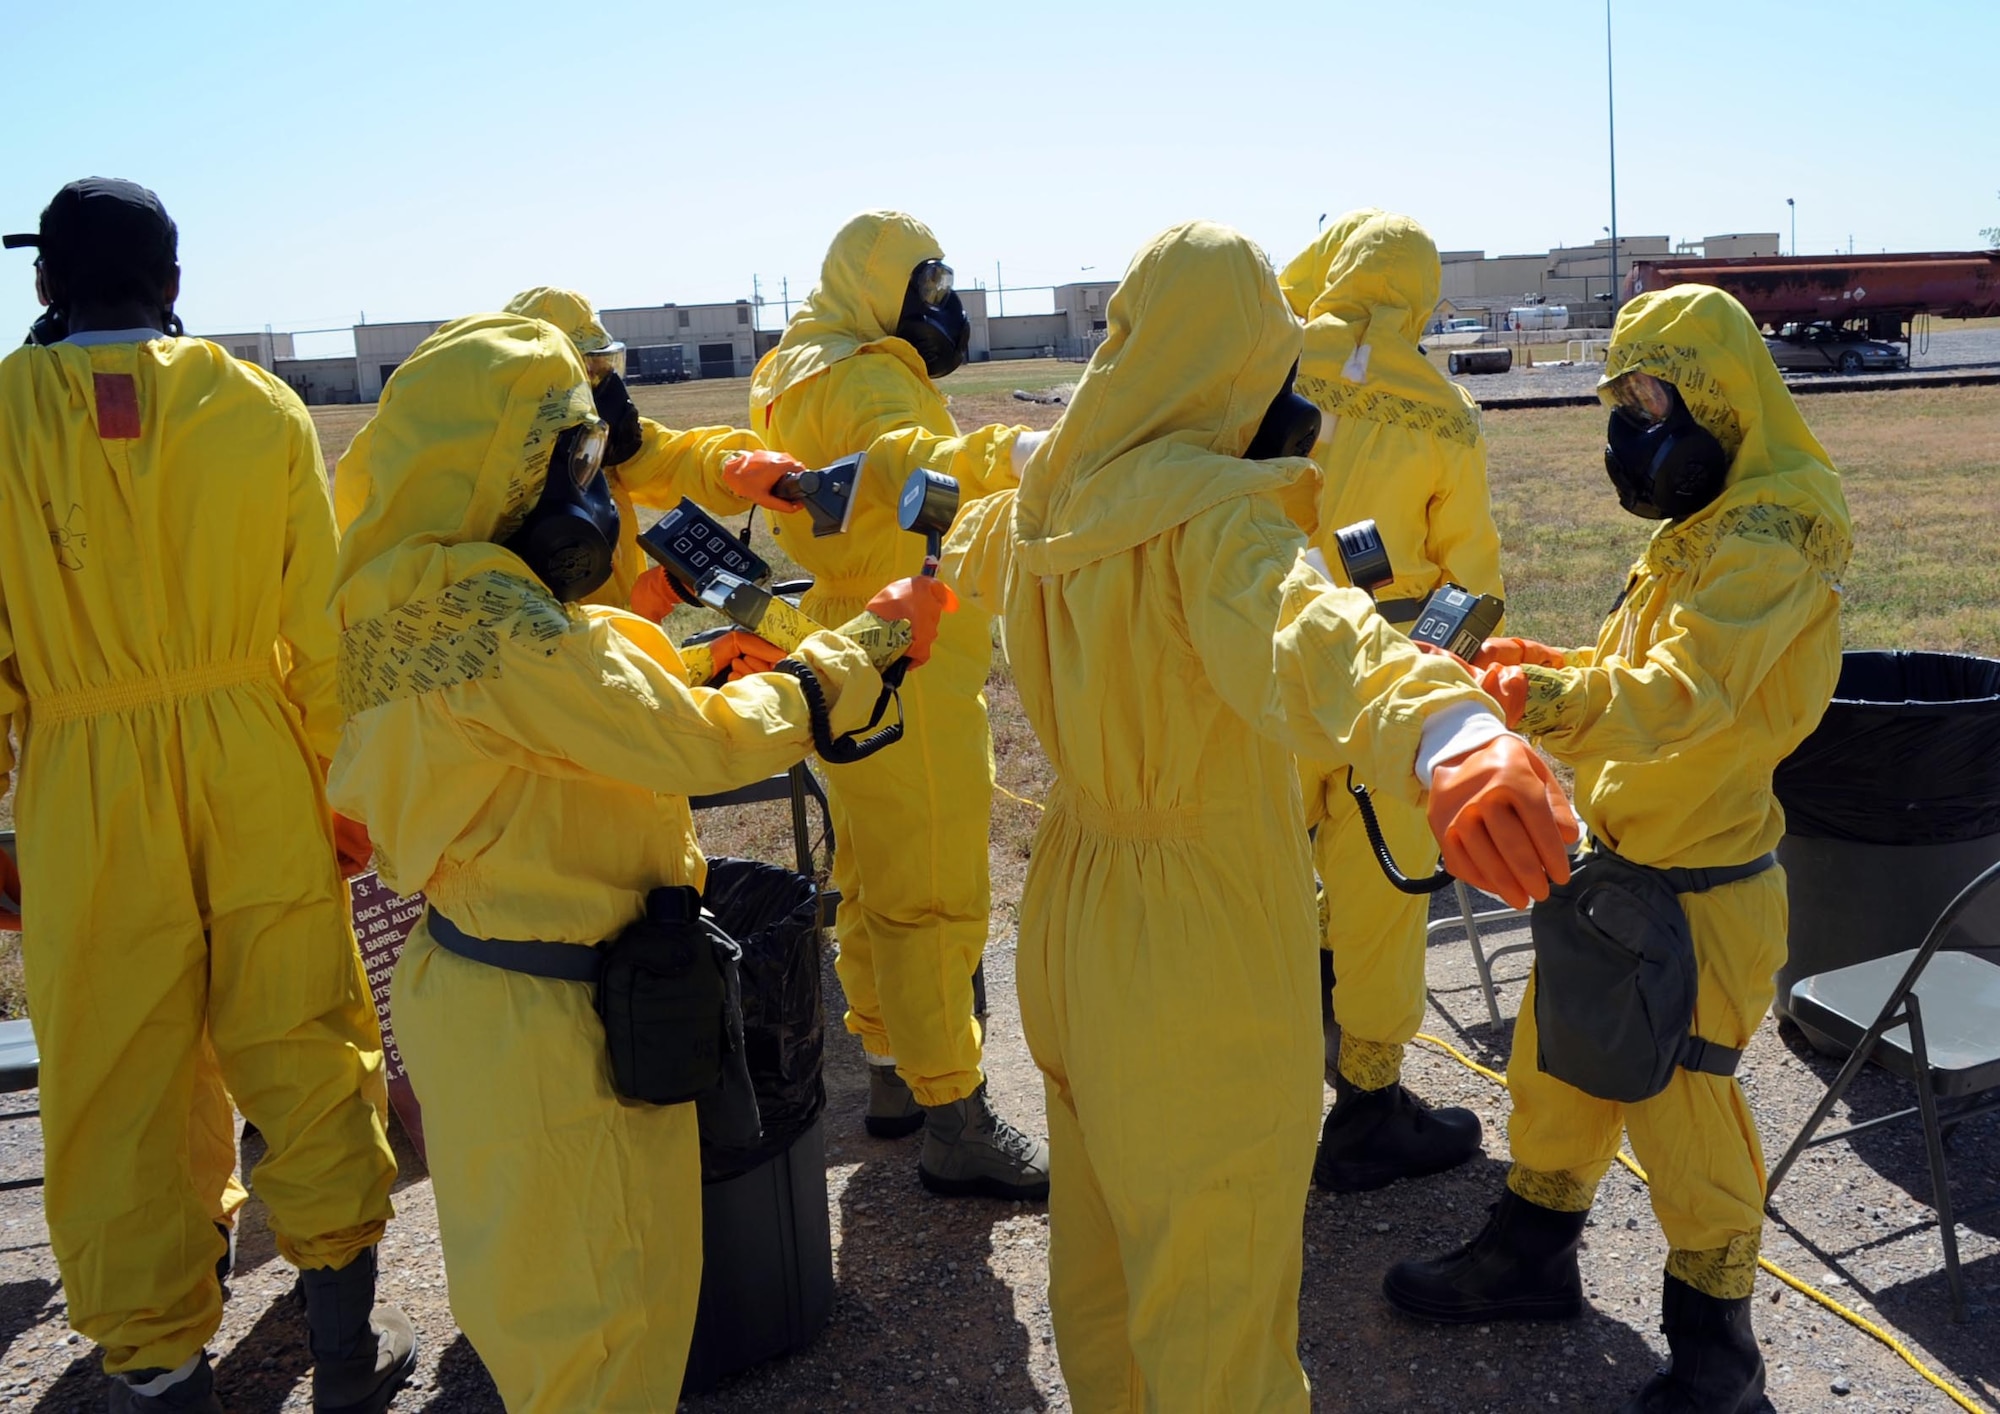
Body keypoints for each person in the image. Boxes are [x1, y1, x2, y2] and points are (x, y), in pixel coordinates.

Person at [937, 220, 1579, 1411]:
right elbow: (1311, 628)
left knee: (1104, 1261)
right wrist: (1449, 731)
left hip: (1073, 911)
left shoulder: (1048, 504)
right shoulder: (1215, 522)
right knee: (1216, 1282)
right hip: (1197, 949)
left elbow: (957, 529)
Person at [327, 310, 947, 1410]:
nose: (585, 490)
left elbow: (568, 726)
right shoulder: (491, 617)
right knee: (604, 1327)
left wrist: (697, 661)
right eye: (564, 460)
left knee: (548, 1311)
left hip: (489, 991)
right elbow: (689, 746)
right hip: (560, 1031)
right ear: (491, 465)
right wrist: (861, 647)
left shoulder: (401, 590)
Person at [1383, 284, 1851, 1414]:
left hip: (1693, 895)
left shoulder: (1771, 536)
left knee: (1684, 1122)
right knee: (1552, 1071)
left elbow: (1682, 692)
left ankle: (1715, 1353)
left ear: (1718, 398)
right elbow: (1636, 661)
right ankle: (1529, 1258)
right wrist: (1549, 663)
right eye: (1621, 402)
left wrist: (1540, 698)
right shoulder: (1700, 529)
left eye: (1651, 401)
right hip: (1616, 872)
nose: (1629, 432)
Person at [0, 178, 413, 1413]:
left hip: (80, 781)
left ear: (42, 285)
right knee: (299, 1023)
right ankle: (342, 1340)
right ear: (174, 284)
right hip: (257, 760)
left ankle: (155, 1361)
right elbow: (323, 633)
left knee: (117, 1060)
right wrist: (348, 794)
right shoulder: (262, 406)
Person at [744, 210, 1048, 1198]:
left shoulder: (797, 365)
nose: (941, 305)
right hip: (906, 634)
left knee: (874, 875)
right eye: (926, 284)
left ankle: (890, 1076)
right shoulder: (867, 376)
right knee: (932, 883)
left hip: (845, 626)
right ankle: (954, 1114)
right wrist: (1019, 453)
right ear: (883, 282)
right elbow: (914, 462)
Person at [1278, 212, 1507, 1191]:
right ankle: (1365, 1104)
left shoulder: (1270, 362)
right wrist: (1437, 683)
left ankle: (1255, 1084)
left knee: (1255, 874)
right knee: (1377, 886)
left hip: (1269, 663)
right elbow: (1471, 578)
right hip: (1389, 674)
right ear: (1419, 293)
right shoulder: (1443, 412)